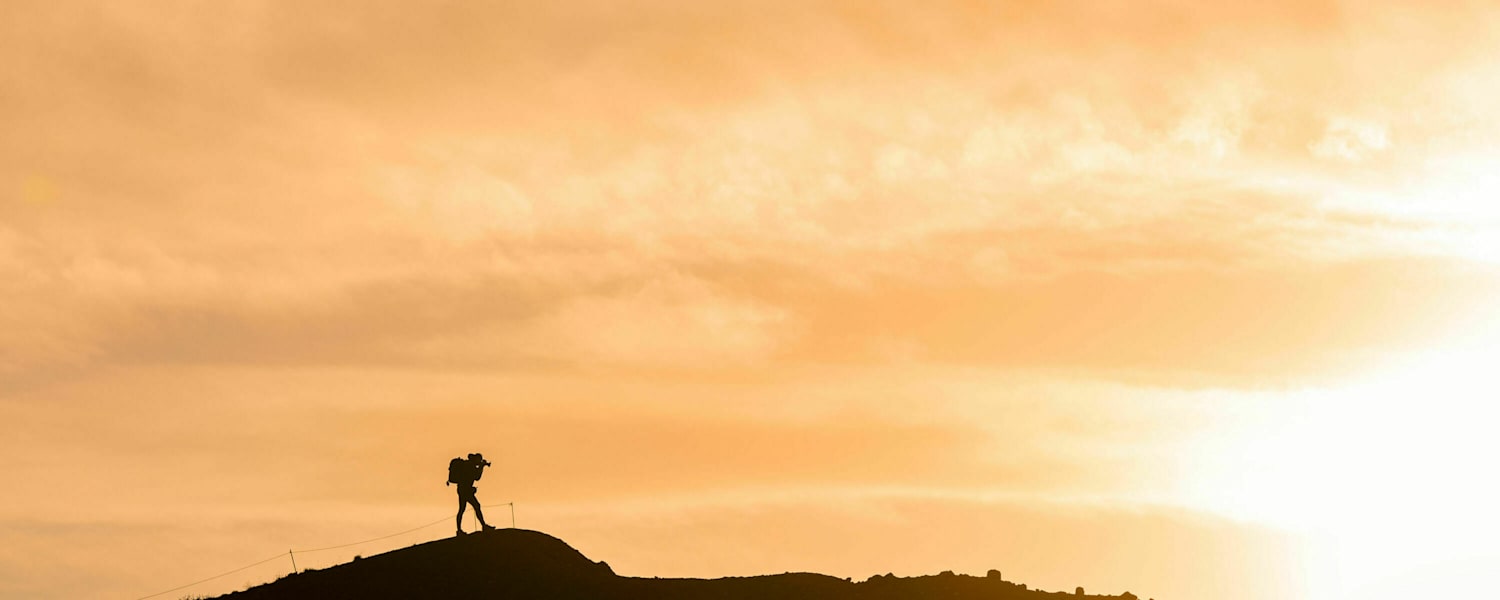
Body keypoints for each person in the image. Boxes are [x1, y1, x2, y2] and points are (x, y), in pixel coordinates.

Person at [447, 452, 496, 535]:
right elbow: (477, 477)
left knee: (462, 509)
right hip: (465, 490)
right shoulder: (469, 466)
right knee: (476, 506)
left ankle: (459, 530)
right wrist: (481, 467)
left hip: (463, 490)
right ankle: (483, 526)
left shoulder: (468, 465)